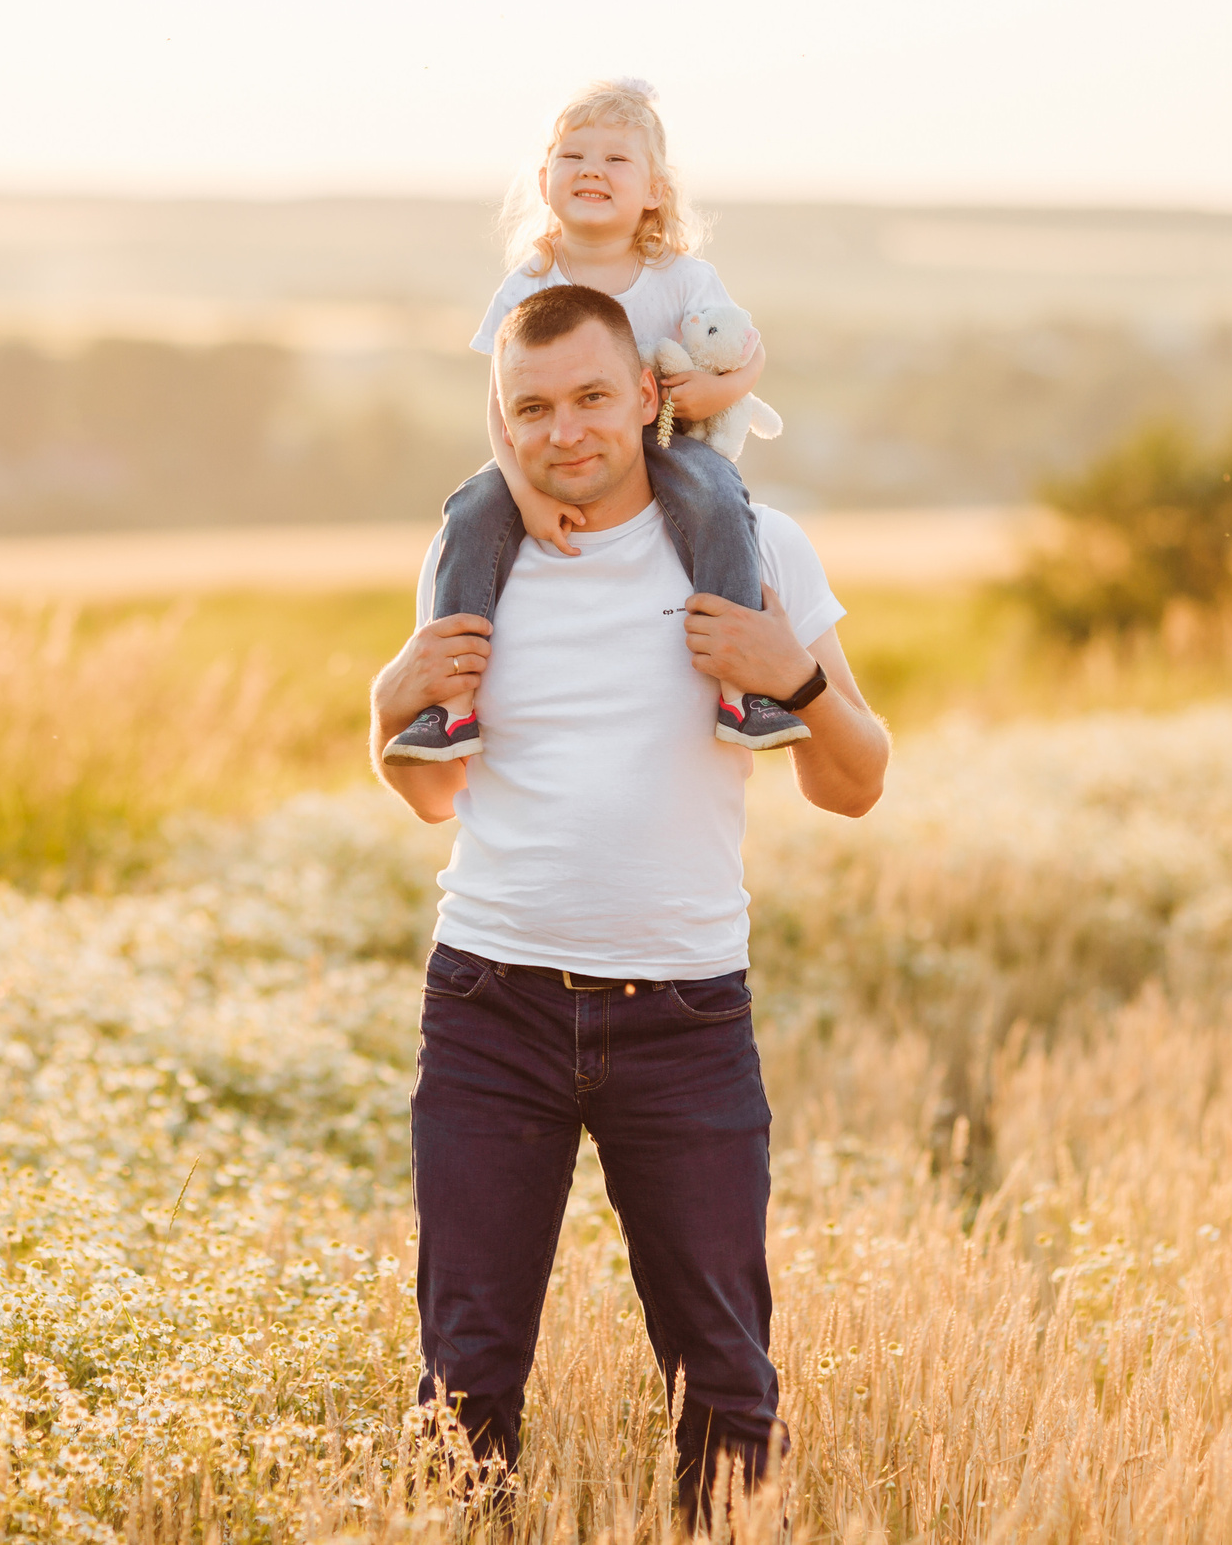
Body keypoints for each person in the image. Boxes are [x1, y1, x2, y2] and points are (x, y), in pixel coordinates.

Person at [367, 281, 892, 1528]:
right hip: (490, 1008)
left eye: (593, 397)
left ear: (648, 395)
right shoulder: (473, 557)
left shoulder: (753, 543)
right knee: (464, 1384)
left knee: (725, 1381)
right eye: (532, 407)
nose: (565, 431)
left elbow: (856, 784)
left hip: (684, 1018)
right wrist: (386, 702)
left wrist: (794, 679)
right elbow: (430, 794)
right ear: (501, 418)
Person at [381, 77, 807, 767]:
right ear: (544, 179)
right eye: (574, 157)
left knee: (718, 495)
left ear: (655, 190)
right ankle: (450, 706)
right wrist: (525, 492)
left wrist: (712, 392)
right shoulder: (529, 282)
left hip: (668, 437)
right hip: (551, 453)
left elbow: (747, 351)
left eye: (615, 159)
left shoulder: (682, 276)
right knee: (471, 509)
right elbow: (500, 403)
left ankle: (743, 694)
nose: (592, 171)